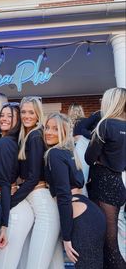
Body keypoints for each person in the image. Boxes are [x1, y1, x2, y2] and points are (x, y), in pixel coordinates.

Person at [44, 112, 106, 269]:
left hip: (82, 220)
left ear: (64, 132)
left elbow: (64, 196)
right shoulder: (69, 153)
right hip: (93, 214)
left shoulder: (54, 154)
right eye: (47, 127)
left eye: (55, 129)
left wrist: (66, 237)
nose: (49, 132)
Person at [11, 96, 64, 269]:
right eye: (23, 111)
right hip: (38, 201)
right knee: (51, 264)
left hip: (45, 210)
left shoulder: (35, 136)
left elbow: (34, 178)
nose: (27, 116)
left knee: (37, 264)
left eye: (31, 112)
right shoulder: (27, 136)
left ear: (38, 114)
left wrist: (10, 201)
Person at [0, 102, 34, 269]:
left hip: (12, 212)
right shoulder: (6, 141)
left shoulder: (5, 143)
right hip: (10, 207)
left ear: (18, 121)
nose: (5, 119)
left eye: (10, 116)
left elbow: (6, 184)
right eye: (3, 115)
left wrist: (4, 225)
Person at [85, 87, 126, 268]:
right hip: (119, 183)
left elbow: (89, 158)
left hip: (103, 184)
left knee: (109, 244)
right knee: (115, 239)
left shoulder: (105, 124)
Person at [68, 104, 89, 196]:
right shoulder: (86, 122)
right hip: (83, 151)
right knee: (83, 176)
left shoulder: (67, 123)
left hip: (71, 151)